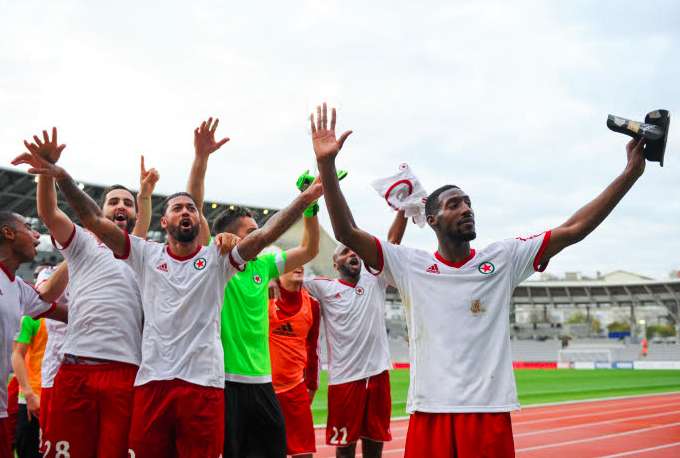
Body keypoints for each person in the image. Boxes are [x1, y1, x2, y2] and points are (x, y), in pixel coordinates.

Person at [309, 102, 649, 458]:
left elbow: (573, 229)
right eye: (454, 204)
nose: (466, 209)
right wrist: (326, 165)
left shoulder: (503, 258)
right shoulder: (409, 264)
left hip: (489, 412)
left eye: (468, 203)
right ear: (434, 220)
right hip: (431, 412)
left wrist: (630, 173)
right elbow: (347, 232)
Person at [14, 130, 324, 457]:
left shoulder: (217, 259)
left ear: (199, 217)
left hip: (203, 384)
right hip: (152, 383)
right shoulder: (145, 254)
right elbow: (92, 218)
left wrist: (305, 200)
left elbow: (265, 234)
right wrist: (60, 175)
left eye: (191, 207)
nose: (185, 211)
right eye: (177, 208)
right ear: (165, 220)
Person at [13, 128, 157, 458]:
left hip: (126, 372)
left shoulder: (144, 251)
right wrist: (47, 173)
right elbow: (50, 213)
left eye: (128, 203)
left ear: (135, 215)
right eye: (113, 201)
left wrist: (146, 195)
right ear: (102, 211)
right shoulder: (80, 243)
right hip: (75, 370)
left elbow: (145, 228)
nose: (121, 206)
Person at [186, 119, 322, 458]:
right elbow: (195, 208)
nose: (259, 235)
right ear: (233, 235)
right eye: (251, 230)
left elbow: (308, 250)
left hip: (263, 382)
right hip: (226, 380)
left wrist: (310, 210)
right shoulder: (216, 263)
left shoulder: (263, 265)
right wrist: (201, 159)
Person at [303, 208, 406, 458]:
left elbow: (392, 243)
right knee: (345, 449)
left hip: (378, 376)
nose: (353, 254)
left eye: (355, 251)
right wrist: (308, 212)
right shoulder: (322, 287)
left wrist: (403, 209)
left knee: (375, 445)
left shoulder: (375, 279)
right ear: (334, 263)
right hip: (344, 380)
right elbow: (288, 274)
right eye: (345, 252)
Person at [0, 210, 68, 458]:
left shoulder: (19, 289)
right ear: (8, 233)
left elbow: (68, 314)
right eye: (29, 228)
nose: (37, 236)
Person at [268, 257, 321, 458]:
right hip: (264, 388)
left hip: (295, 388)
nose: (298, 266)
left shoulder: (312, 305)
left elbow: (313, 346)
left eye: (301, 262)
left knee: (304, 452)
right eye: (291, 263)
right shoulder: (264, 296)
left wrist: (312, 384)